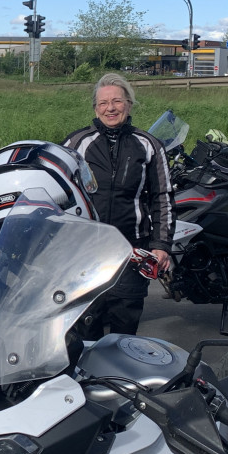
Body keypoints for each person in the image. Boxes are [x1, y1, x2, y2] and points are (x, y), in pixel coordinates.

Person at [61, 72, 173, 337]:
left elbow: (163, 197)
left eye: (117, 101)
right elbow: (58, 194)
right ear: (95, 108)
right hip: (86, 251)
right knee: (86, 327)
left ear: (129, 104)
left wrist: (161, 245)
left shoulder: (148, 145)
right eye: (103, 103)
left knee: (124, 328)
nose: (110, 108)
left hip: (131, 249)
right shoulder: (76, 144)